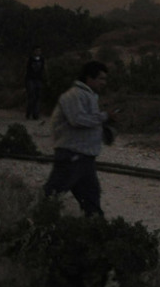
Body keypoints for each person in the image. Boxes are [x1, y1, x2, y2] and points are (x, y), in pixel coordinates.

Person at [43, 60, 116, 217]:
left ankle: (96, 233)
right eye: (101, 78)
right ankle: (30, 228)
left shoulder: (88, 96)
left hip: (84, 158)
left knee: (91, 201)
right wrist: (104, 116)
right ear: (89, 78)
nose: (104, 83)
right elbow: (77, 119)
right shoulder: (74, 95)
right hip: (72, 155)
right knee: (50, 197)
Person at [24, 46, 47, 120]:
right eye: (37, 51)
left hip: (38, 79)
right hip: (31, 79)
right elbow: (27, 69)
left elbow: (43, 69)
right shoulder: (30, 59)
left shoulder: (42, 59)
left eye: (39, 51)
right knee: (31, 96)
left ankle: (35, 114)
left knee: (37, 97)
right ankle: (29, 112)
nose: (38, 52)